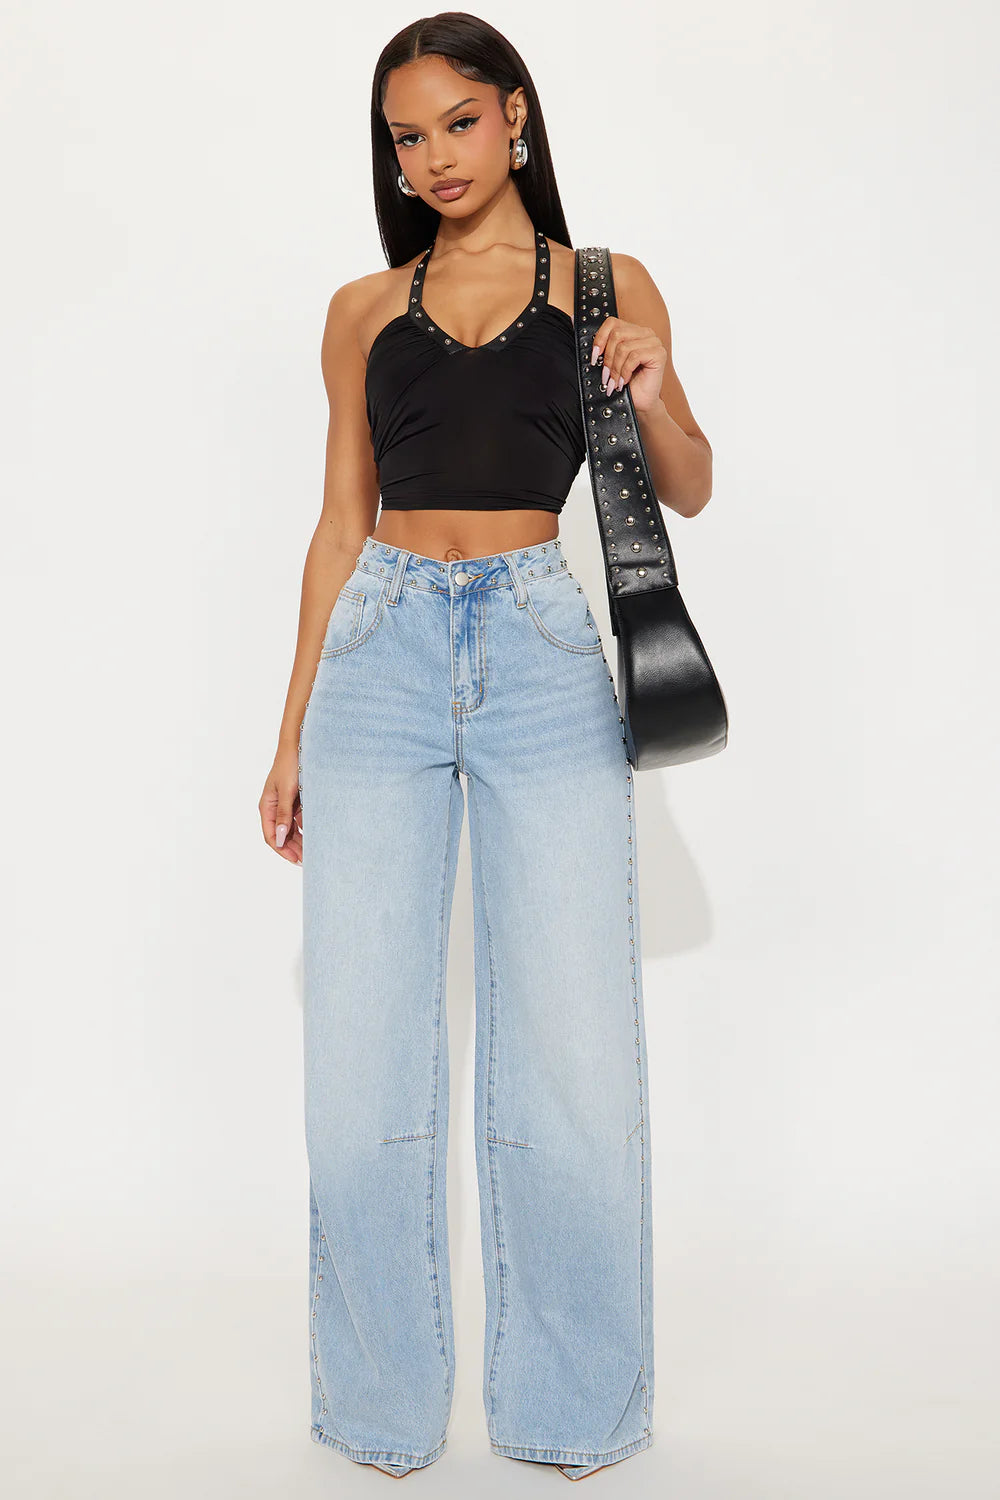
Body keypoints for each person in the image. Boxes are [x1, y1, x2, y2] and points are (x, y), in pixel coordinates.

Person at [258, 13, 712, 1483]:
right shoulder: (358, 307)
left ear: (515, 118)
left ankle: (574, 1411)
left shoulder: (602, 283)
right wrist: (292, 741)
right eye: (406, 135)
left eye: (458, 121)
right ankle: (381, 1412)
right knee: (361, 1058)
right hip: (380, 658)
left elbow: (691, 485)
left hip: (537, 648)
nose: (433, 156)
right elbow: (337, 527)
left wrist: (646, 384)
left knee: (575, 1054)